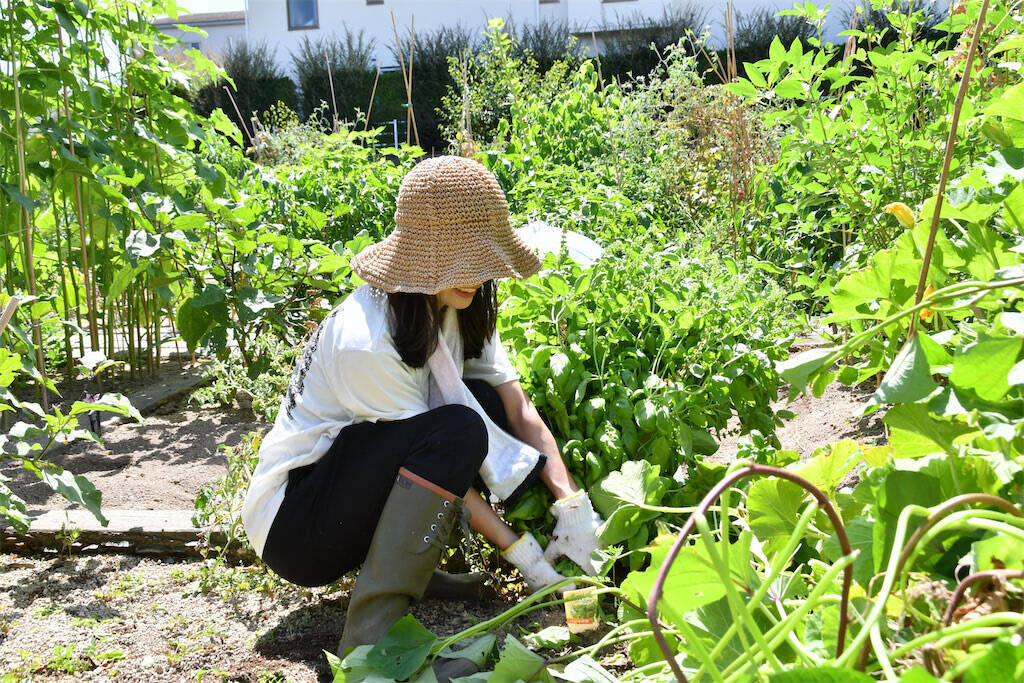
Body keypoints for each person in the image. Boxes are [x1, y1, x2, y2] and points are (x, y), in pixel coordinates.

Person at [240, 155, 605, 674]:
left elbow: (515, 404)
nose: (477, 279)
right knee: (458, 428)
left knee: (478, 397)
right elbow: (439, 463)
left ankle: (418, 573)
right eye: (465, 263)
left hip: (349, 493)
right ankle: (371, 639)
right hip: (298, 526)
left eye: (483, 264)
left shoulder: (455, 303)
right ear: (422, 260)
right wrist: (522, 554)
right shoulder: (367, 342)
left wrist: (571, 504)